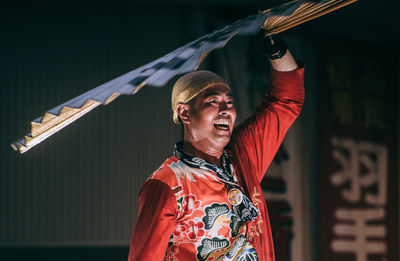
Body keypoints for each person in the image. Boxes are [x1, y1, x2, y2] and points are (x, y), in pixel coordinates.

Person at [128, 33, 304, 261]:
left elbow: (285, 102)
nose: (225, 110)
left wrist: (276, 51)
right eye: (213, 101)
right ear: (184, 112)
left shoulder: (242, 157)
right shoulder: (167, 184)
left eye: (229, 102)